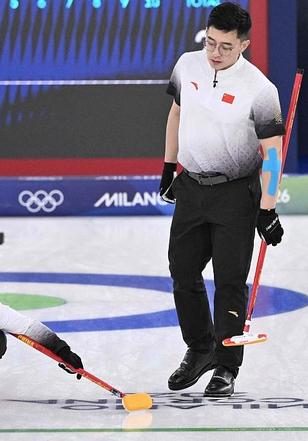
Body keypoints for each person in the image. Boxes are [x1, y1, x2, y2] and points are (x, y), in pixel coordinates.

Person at [159, 2, 285, 398]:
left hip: (235, 194)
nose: (214, 52)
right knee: (182, 272)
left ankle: (227, 365)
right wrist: (169, 167)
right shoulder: (187, 65)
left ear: (244, 45)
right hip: (192, 187)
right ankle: (200, 349)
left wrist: (267, 208)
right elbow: (176, 114)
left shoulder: (261, 89)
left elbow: (273, 152)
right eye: (210, 42)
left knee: (229, 282)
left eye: (225, 46)